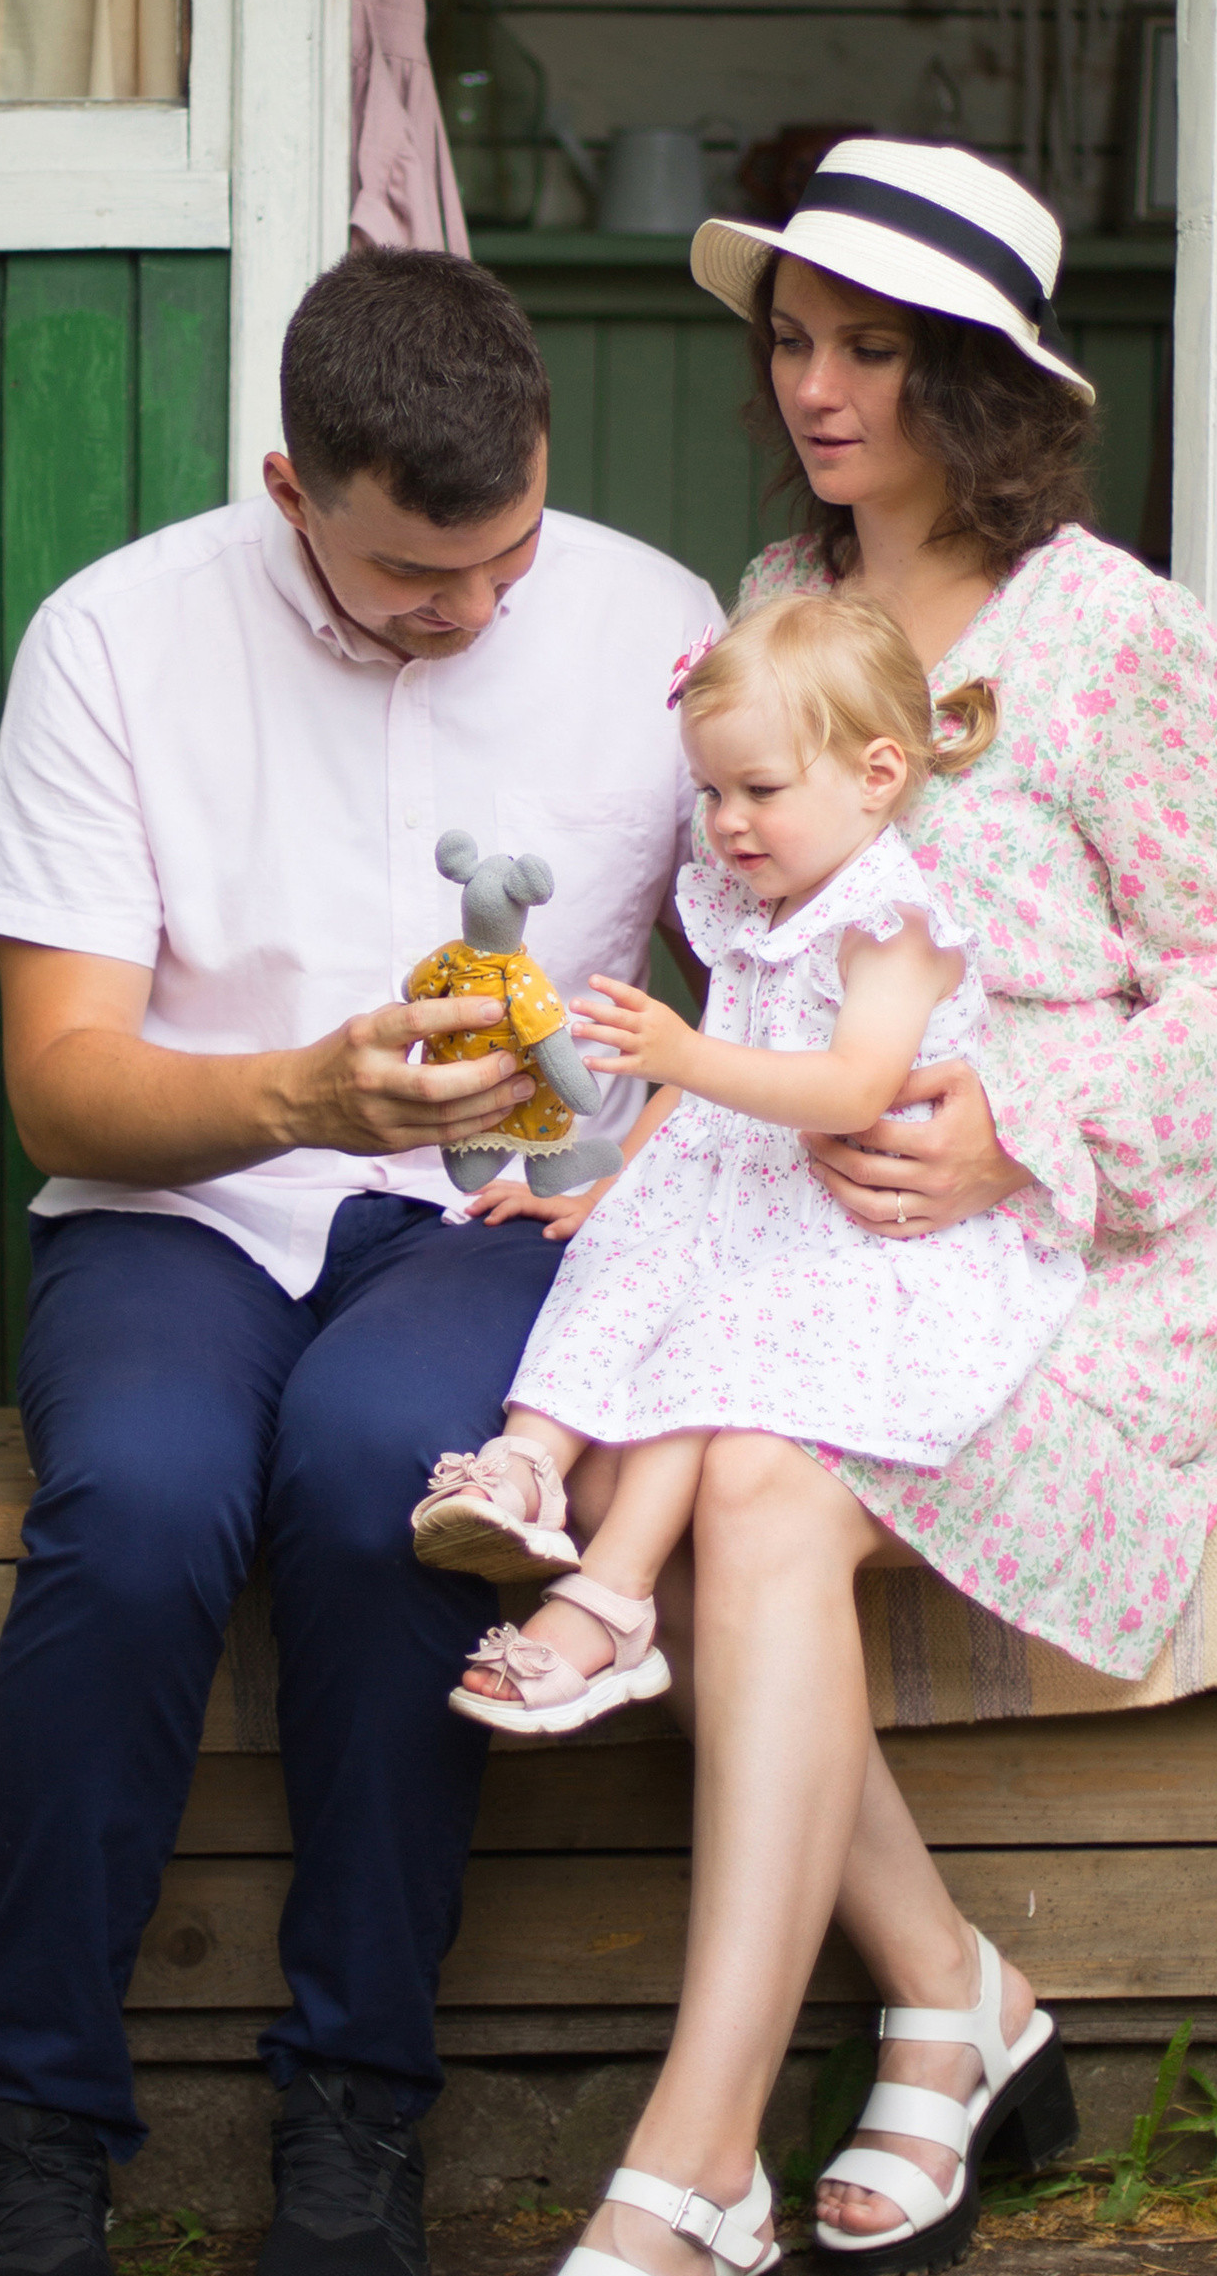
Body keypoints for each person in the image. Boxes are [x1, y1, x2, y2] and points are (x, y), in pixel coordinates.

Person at [451, 140, 1217, 2276]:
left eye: (867, 348)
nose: (812, 386)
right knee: (717, 1447)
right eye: (792, 341)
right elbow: (735, 945)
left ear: (978, 379)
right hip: (795, 1227)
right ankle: (939, 1994)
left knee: (748, 1480)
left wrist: (1011, 1118)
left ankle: (686, 2177)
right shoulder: (779, 596)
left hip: (1069, 1259)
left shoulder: (1112, 632)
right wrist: (620, 1153)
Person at [0, 247, 719, 2276]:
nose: (469, 608)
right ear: (290, 484)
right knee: (135, 1502)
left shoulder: (655, 627)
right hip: (180, 1203)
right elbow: (58, 1082)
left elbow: (769, 987)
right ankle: (32, 2141)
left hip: (503, 1219)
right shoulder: (117, 636)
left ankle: (355, 2119)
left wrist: (630, 1153)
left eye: (504, 557)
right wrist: (300, 1093)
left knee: (397, 1478)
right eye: (409, 573)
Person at [412, 592, 1083, 1742]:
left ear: (876, 775)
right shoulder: (760, 901)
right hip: (750, 1190)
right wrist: (608, 1177)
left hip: (854, 1224)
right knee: (617, 1268)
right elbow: (708, 1090)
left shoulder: (893, 924)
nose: (727, 822)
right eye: (711, 791)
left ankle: (611, 1600)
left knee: (715, 1339)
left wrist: (681, 1051)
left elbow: (851, 1087)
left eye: (759, 790)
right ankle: (523, 1463)